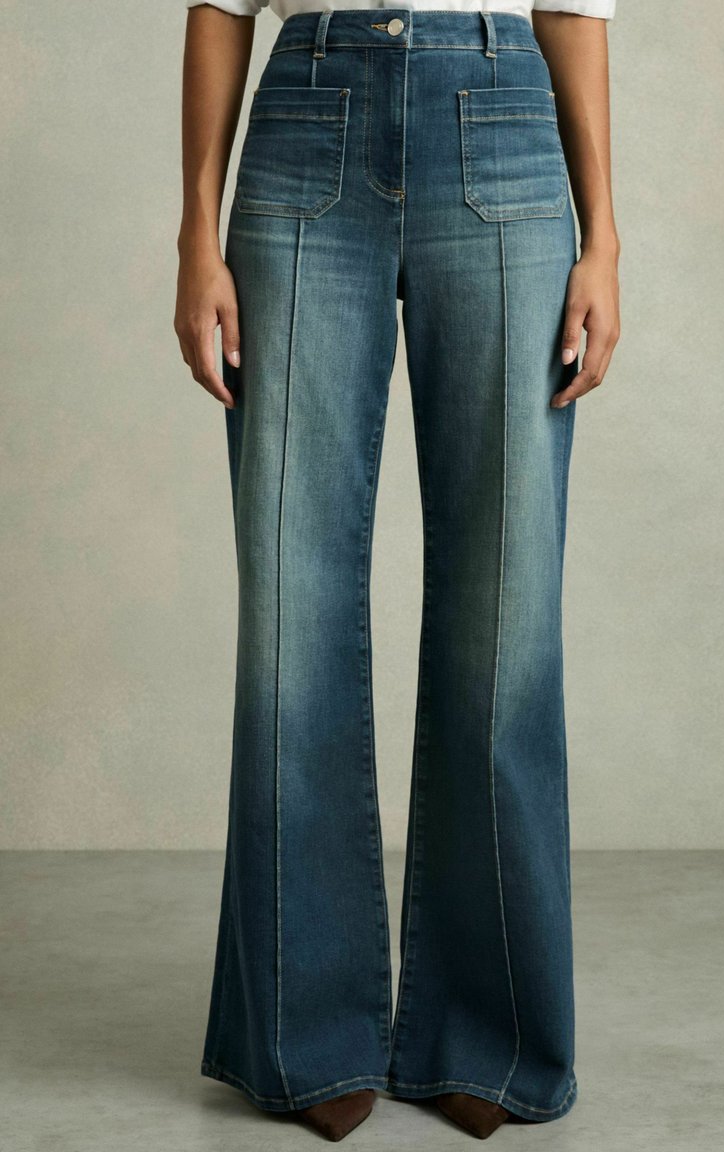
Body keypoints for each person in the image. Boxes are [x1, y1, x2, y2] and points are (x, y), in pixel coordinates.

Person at [175, 0, 620, 1141]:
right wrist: (194, 238)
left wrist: (604, 240)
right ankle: (303, 1034)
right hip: (306, 119)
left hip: (504, 118)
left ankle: (488, 1033)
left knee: (504, 617)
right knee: (293, 615)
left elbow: (574, 9)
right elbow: (218, 7)